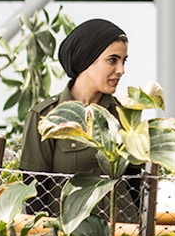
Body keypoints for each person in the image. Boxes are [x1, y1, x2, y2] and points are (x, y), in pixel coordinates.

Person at [19, 18, 138, 220]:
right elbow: (33, 194)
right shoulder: (45, 116)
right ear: (86, 59)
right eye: (112, 60)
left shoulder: (125, 116)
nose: (121, 70)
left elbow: (137, 186)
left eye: (123, 61)